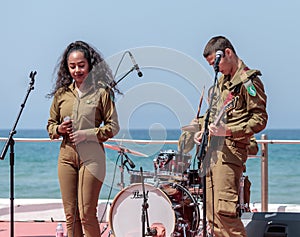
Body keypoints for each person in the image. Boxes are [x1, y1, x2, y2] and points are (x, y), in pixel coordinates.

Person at [194, 36, 268, 237]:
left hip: (230, 154)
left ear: (228, 53)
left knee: (224, 212)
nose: (216, 69)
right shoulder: (221, 83)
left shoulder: (248, 82)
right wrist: (203, 129)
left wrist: (227, 131)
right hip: (212, 153)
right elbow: (215, 114)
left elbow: (260, 119)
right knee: (211, 214)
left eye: (217, 64)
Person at [47, 40, 120, 237]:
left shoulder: (102, 92)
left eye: (81, 65)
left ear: (89, 65)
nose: (77, 70)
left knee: (87, 213)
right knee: (71, 215)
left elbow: (113, 127)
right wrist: (59, 128)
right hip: (66, 156)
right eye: (72, 66)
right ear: (67, 68)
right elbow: (50, 126)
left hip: (92, 157)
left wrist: (86, 134)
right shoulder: (61, 94)